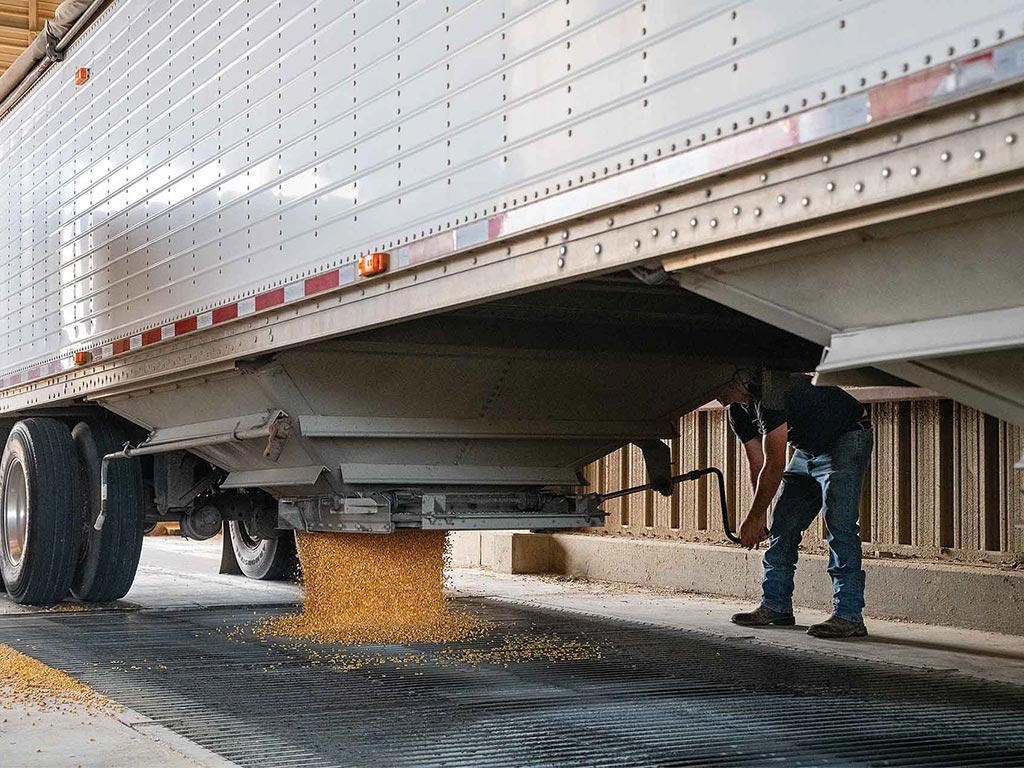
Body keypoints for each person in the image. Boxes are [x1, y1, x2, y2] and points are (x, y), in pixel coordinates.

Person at [715, 370, 873, 638]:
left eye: (717, 387)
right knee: (783, 524)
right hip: (808, 448)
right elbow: (759, 462)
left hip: (845, 437)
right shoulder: (737, 412)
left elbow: (775, 463)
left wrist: (752, 518)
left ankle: (849, 614)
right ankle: (776, 605)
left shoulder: (771, 395)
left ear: (737, 379)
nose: (714, 395)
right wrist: (760, 513)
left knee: (840, 523)